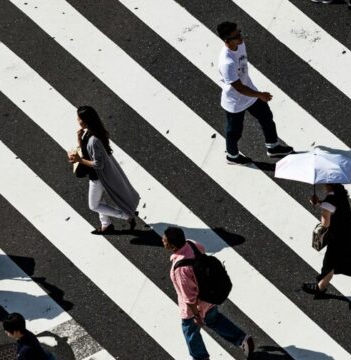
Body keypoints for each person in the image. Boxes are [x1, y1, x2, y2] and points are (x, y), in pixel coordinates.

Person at [162, 226, 254, 359]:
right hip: (208, 296)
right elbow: (202, 250)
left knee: (191, 333)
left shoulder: (181, 270)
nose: (162, 240)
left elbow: (189, 298)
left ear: (172, 246)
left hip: (193, 308)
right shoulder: (192, 244)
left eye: (164, 240)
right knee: (215, 320)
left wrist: (196, 317)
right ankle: (242, 339)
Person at [216, 21, 293, 165]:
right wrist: (260, 95)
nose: (240, 37)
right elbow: (238, 87)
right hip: (235, 101)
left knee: (266, 117)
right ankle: (232, 156)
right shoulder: (227, 62)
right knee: (234, 131)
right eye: (236, 36)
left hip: (249, 92)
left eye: (239, 33)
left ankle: (273, 146)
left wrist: (257, 94)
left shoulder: (240, 45)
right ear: (227, 41)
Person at [68, 106, 140, 234]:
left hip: (98, 177)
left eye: (79, 118)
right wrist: (79, 141)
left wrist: (79, 160)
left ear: (86, 120)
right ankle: (106, 225)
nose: (77, 120)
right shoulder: (91, 132)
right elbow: (87, 151)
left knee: (94, 205)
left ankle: (126, 216)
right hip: (96, 175)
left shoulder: (93, 140)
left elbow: (98, 164)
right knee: (99, 200)